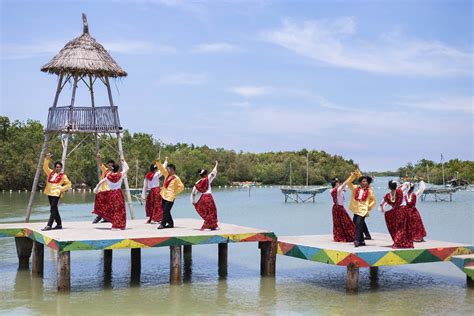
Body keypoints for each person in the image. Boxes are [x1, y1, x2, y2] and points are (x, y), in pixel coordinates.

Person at [92, 159, 129, 230]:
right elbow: (127, 168)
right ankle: (118, 225)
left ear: (112, 169)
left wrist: (96, 189)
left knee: (113, 210)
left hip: (111, 194)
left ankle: (114, 224)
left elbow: (100, 183)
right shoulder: (120, 175)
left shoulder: (108, 176)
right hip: (118, 194)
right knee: (120, 210)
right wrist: (123, 161)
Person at [41, 153, 72, 231]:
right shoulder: (50, 172)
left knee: (53, 209)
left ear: (61, 168)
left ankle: (49, 225)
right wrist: (47, 158)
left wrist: (61, 189)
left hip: (56, 193)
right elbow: (45, 167)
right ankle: (59, 224)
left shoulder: (63, 176)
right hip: (49, 192)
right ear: (55, 167)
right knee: (54, 209)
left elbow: (69, 184)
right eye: (57, 167)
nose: (58, 168)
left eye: (60, 167)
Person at [379, 180, 414, 248]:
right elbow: (407, 186)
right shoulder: (400, 191)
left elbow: (382, 204)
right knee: (401, 228)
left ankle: (397, 241)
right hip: (401, 211)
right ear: (396, 186)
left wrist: (382, 209)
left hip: (392, 213)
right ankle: (397, 243)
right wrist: (407, 184)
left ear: (389, 187)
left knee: (395, 228)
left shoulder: (387, 195)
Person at [347, 170, 376, 247]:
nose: (365, 183)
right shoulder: (355, 188)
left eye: (366, 181)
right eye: (363, 181)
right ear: (360, 182)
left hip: (363, 210)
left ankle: (356, 240)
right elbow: (348, 183)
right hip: (356, 209)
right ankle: (362, 241)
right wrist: (353, 176)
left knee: (359, 224)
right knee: (355, 223)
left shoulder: (369, 191)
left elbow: (373, 200)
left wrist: (369, 207)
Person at [156, 158, 184, 229]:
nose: (167, 170)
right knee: (165, 210)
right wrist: (158, 162)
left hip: (170, 197)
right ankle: (171, 223)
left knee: (166, 210)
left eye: (168, 169)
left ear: (172, 169)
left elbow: (181, 187)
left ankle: (162, 224)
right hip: (164, 194)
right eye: (167, 169)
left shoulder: (176, 178)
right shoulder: (166, 175)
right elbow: (162, 169)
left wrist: (175, 192)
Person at [191, 161, 219, 230]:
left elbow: (193, 192)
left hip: (203, 198)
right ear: (205, 174)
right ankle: (208, 226)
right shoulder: (208, 179)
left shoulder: (198, 182)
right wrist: (216, 165)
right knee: (212, 211)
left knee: (206, 211)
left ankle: (213, 225)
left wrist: (193, 201)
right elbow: (213, 172)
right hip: (209, 197)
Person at [141, 158, 168, 223]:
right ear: (156, 169)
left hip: (151, 192)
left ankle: (150, 218)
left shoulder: (147, 176)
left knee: (151, 205)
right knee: (158, 205)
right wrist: (166, 161)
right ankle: (156, 218)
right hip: (157, 191)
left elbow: (145, 186)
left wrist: (143, 195)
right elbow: (163, 168)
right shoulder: (156, 174)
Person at [330, 176, 355, 242]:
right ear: (336, 184)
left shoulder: (334, 190)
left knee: (340, 223)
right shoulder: (337, 190)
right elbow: (345, 183)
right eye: (338, 183)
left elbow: (344, 186)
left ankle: (344, 235)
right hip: (339, 208)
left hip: (336, 208)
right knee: (345, 222)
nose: (339, 184)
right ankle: (346, 236)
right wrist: (351, 176)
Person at [92, 153, 115, 224]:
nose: (110, 166)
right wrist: (98, 158)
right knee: (100, 204)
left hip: (109, 190)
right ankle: (101, 217)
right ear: (107, 165)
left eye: (111, 165)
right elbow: (100, 164)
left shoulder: (114, 173)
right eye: (109, 165)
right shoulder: (105, 170)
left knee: (107, 205)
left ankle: (104, 218)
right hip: (102, 190)